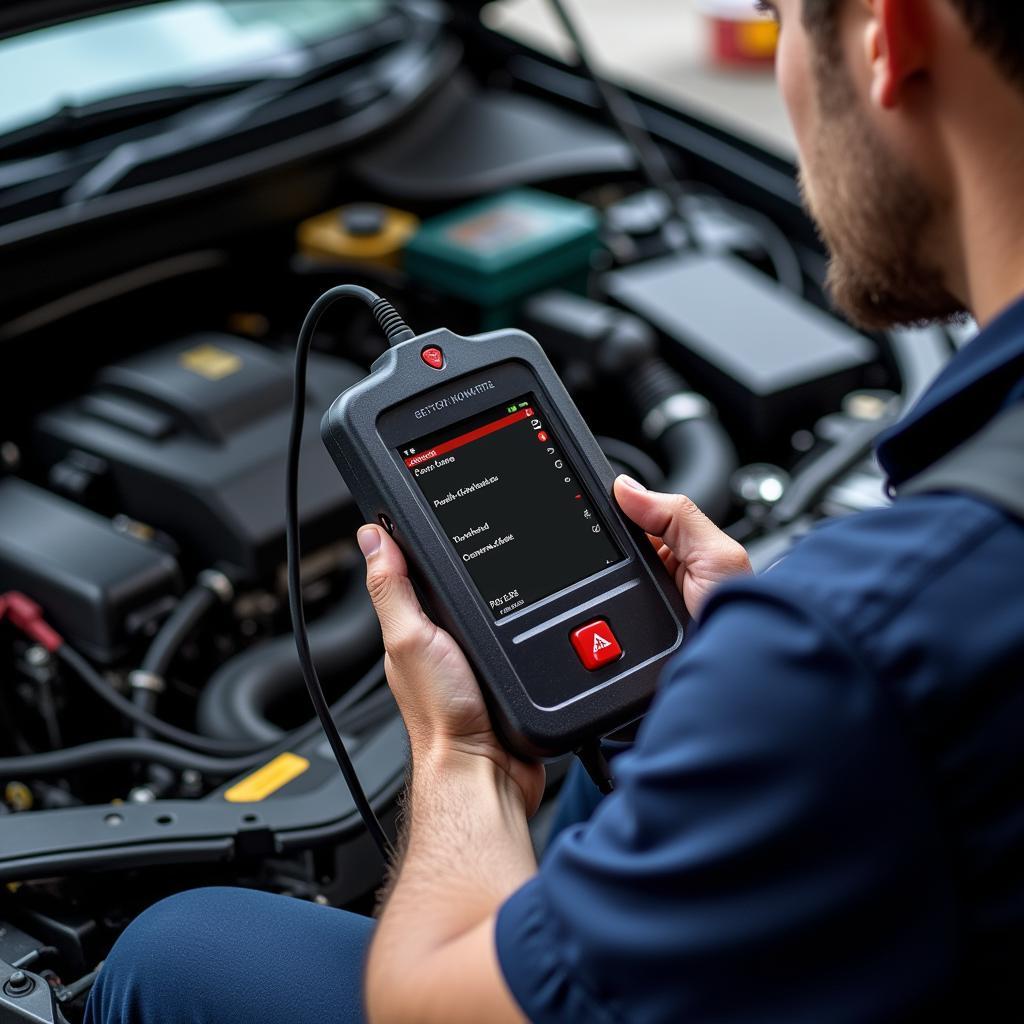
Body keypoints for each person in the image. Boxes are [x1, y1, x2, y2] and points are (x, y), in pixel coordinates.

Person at [85, 0, 1024, 1020]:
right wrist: (736, 695)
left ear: (888, 35)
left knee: (174, 948)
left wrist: (464, 755)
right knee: (603, 776)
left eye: (778, 11)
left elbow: (427, 1007)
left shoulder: (864, 642)